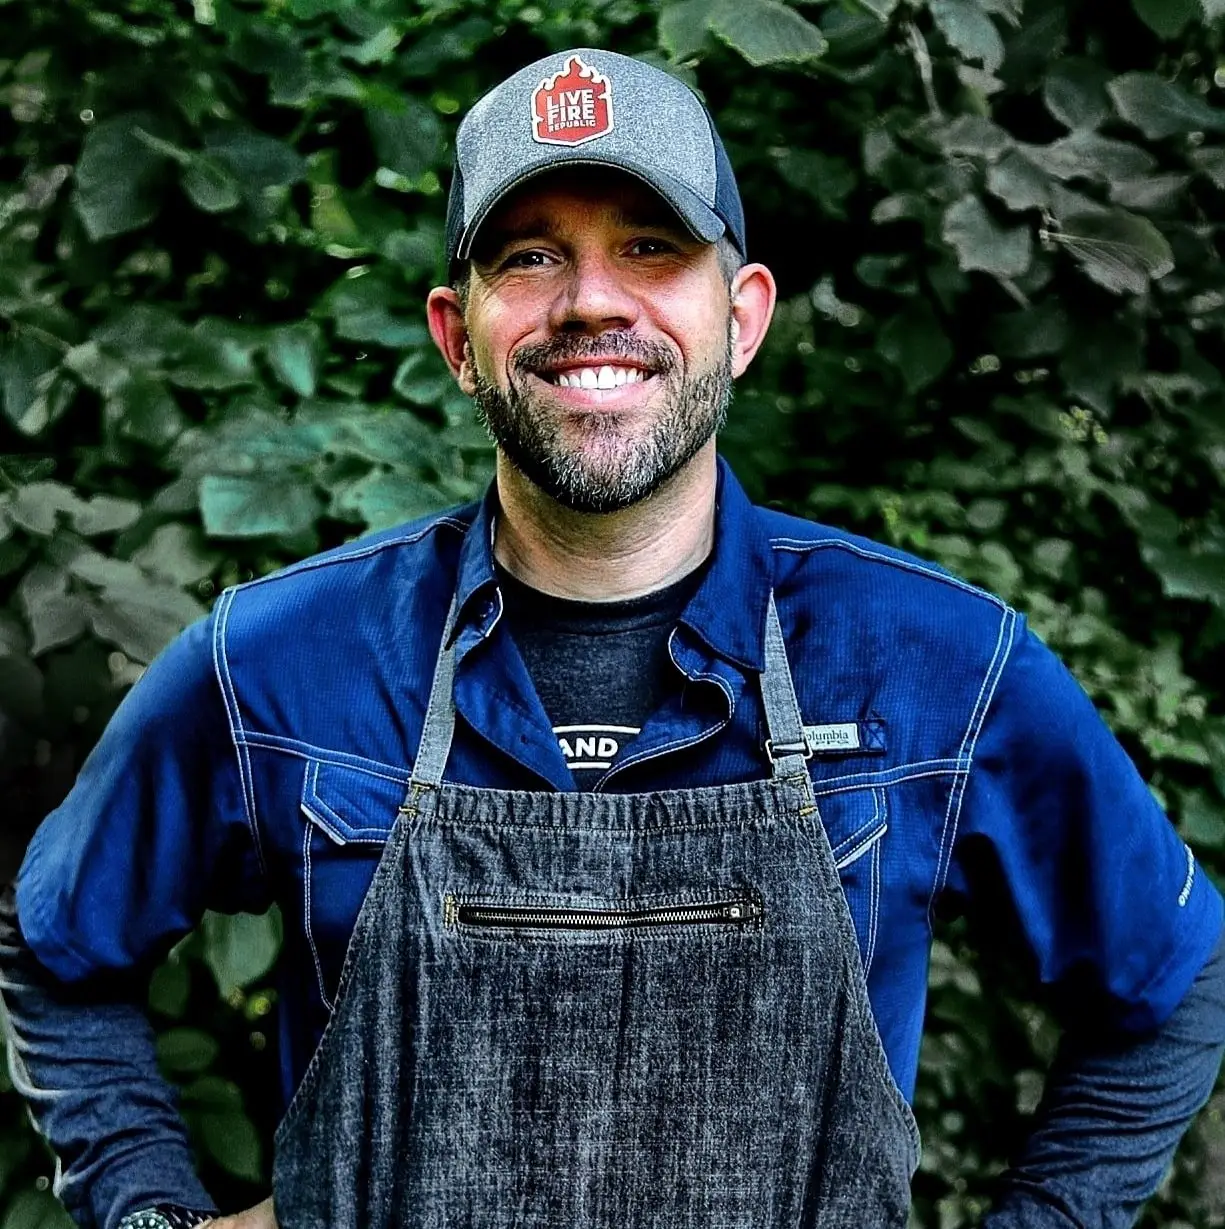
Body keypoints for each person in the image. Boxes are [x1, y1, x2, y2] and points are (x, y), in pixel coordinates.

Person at [2, 45, 1224, 1229]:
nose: (591, 300)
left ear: (742, 316)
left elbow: (1176, 979)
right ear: (457, 337)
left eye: (650, 246)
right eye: (531, 255)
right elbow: (57, 947)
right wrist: (150, 1214)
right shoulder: (275, 662)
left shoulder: (934, 664)